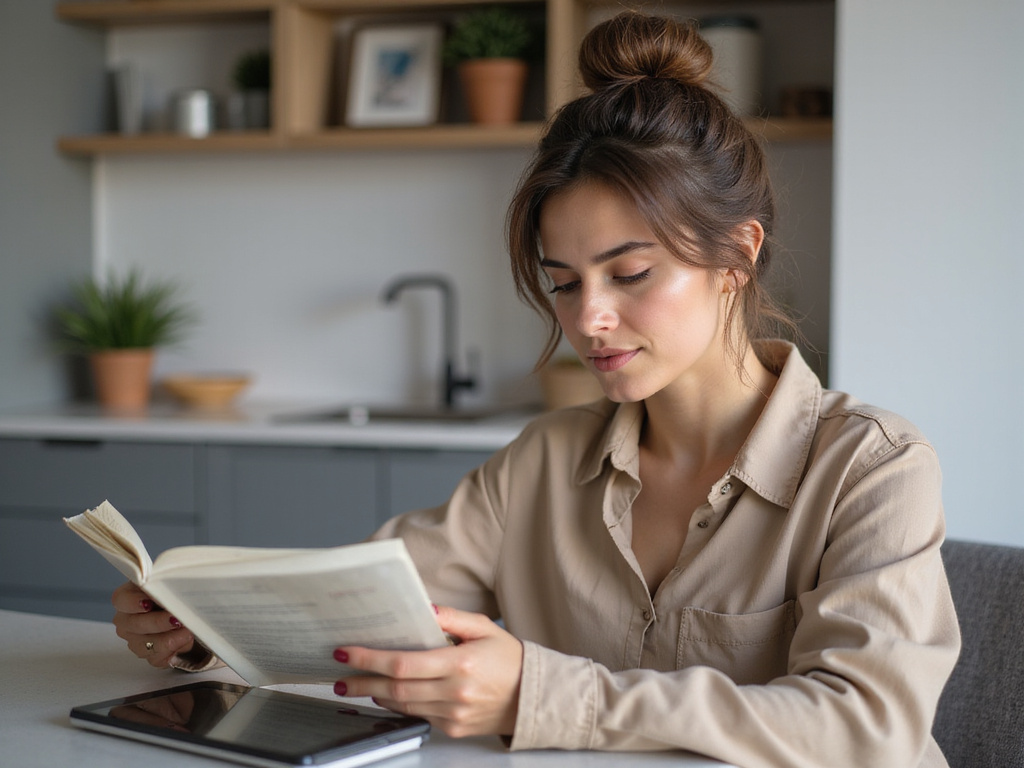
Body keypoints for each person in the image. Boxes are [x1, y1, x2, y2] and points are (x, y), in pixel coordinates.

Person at [111, 12, 960, 767]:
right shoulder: (544, 463)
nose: (590, 319)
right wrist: (204, 631)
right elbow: (357, 613)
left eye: (630, 273)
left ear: (736, 255)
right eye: (563, 282)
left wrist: (539, 694)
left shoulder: (869, 469)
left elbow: (868, 729)